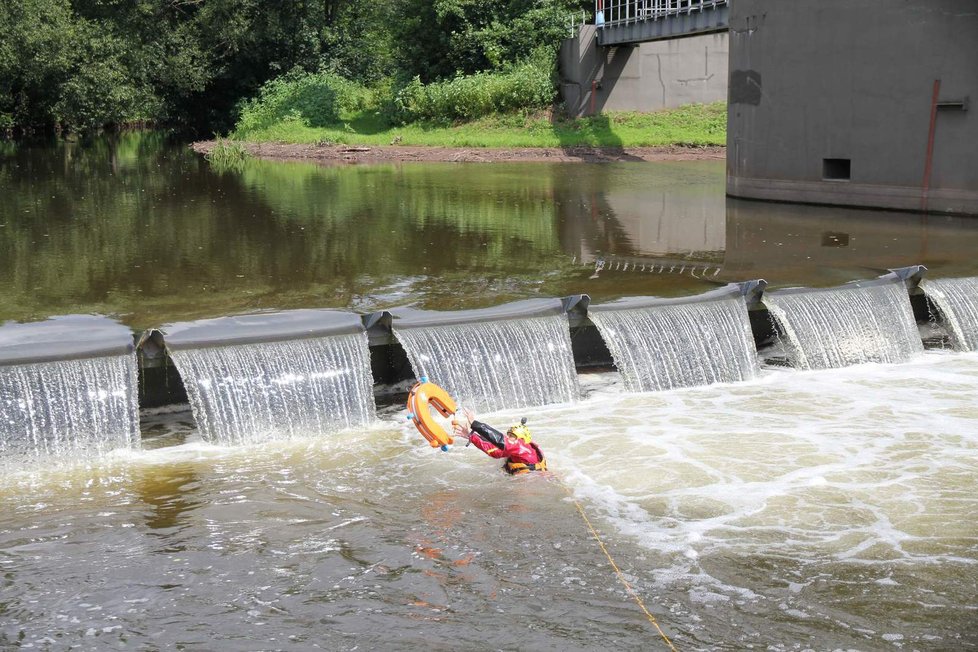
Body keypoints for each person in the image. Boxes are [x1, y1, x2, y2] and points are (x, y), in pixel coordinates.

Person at [453, 409, 547, 475]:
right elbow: (494, 451)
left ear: (521, 438)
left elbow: (499, 440)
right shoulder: (524, 448)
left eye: (512, 436)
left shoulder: (520, 446)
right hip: (531, 478)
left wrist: (474, 423)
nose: (508, 437)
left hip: (531, 481)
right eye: (509, 435)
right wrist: (471, 436)